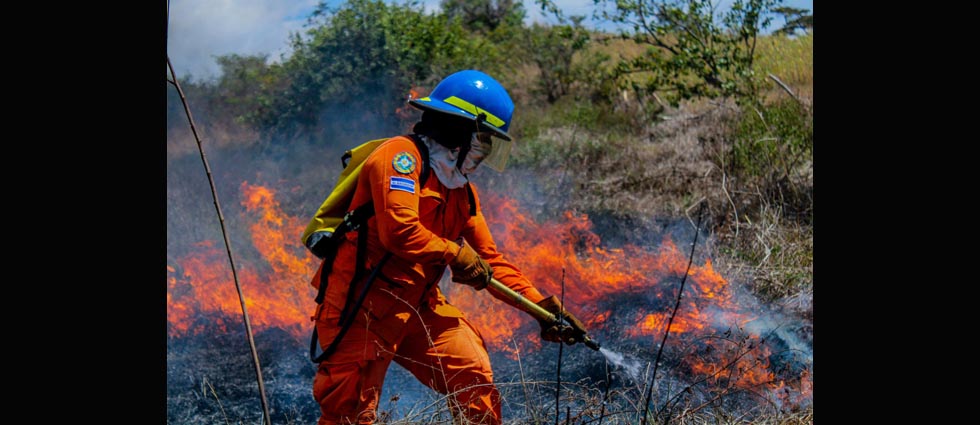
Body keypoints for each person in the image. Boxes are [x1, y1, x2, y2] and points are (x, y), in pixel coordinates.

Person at [309, 69, 589, 425]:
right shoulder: (399, 158)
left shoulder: (461, 192)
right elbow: (400, 231)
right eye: (484, 139)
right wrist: (454, 253)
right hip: (359, 307)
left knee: (472, 375)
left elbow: (491, 261)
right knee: (349, 413)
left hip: (419, 306)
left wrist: (543, 310)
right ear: (461, 129)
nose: (485, 152)